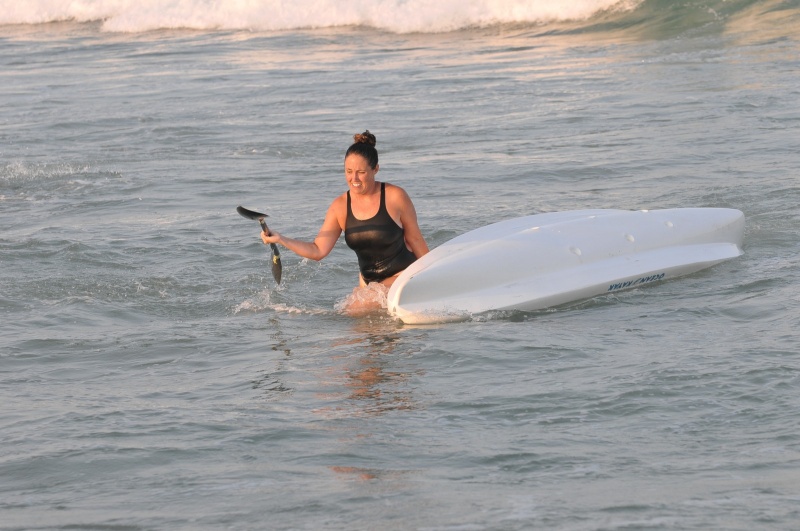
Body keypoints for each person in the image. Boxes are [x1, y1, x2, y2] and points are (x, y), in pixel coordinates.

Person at [260, 130, 429, 311]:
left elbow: (415, 239)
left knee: (354, 311)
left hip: (403, 275)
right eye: (349, 171)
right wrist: (281, 239)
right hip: (369, 286)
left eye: (361, 172)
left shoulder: (395, 196)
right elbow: (318, 250)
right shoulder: (340, 206)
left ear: (375, 169)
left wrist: (432, 274)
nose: (353, 179)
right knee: (350, 315)